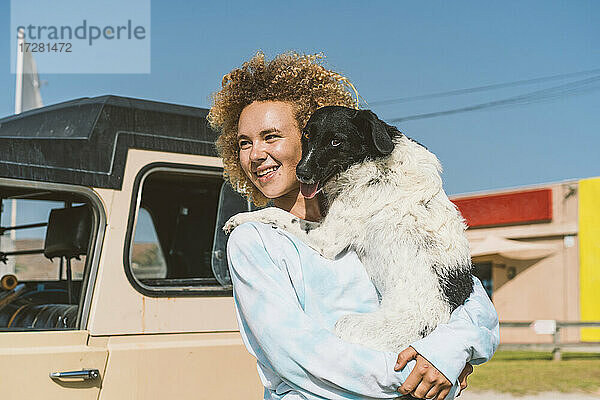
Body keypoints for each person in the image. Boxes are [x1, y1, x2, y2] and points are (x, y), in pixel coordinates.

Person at [208, 51, 499, 400]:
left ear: (310, 138)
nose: (255, 154)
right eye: (244, 142)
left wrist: (447, 353)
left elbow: (470, 299)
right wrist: (416, 375)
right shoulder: (253, 239)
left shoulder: (373, 207)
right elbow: (295, 355)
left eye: (271, 137)